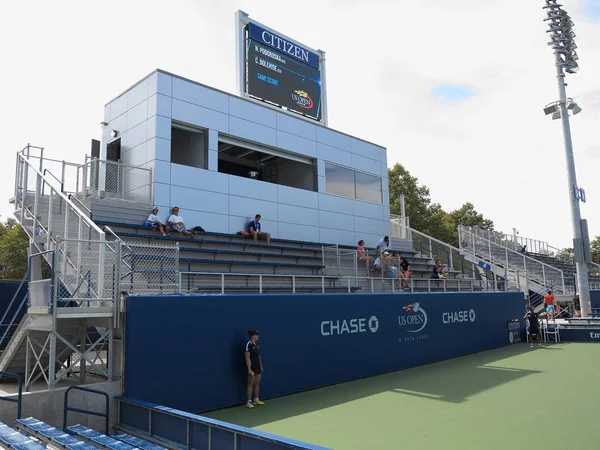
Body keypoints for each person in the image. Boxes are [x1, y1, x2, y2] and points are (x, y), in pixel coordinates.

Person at [245, 330, 264, 409]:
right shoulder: (248, 344)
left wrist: (261, 366)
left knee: (257, 383)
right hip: (252, 367)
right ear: (252, 336)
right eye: (256, 335)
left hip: (257, 367)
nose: (258, 336)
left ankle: (256, 399)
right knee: (250, 384)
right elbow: (247, 358)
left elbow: (258, 357)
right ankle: (249, 401)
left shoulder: (257, 345)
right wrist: (249, 369)